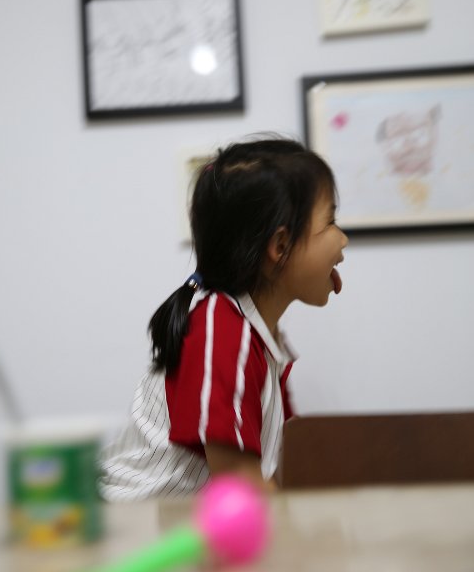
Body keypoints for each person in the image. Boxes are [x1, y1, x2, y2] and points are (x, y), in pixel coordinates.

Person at [99, 135, 348, 500]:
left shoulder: (260, 336)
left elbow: (277, 467)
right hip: (137, 525)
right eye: (330, 222)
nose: (342, 240)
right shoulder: (221, 331)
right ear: (280, 246)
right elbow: (240, 486)